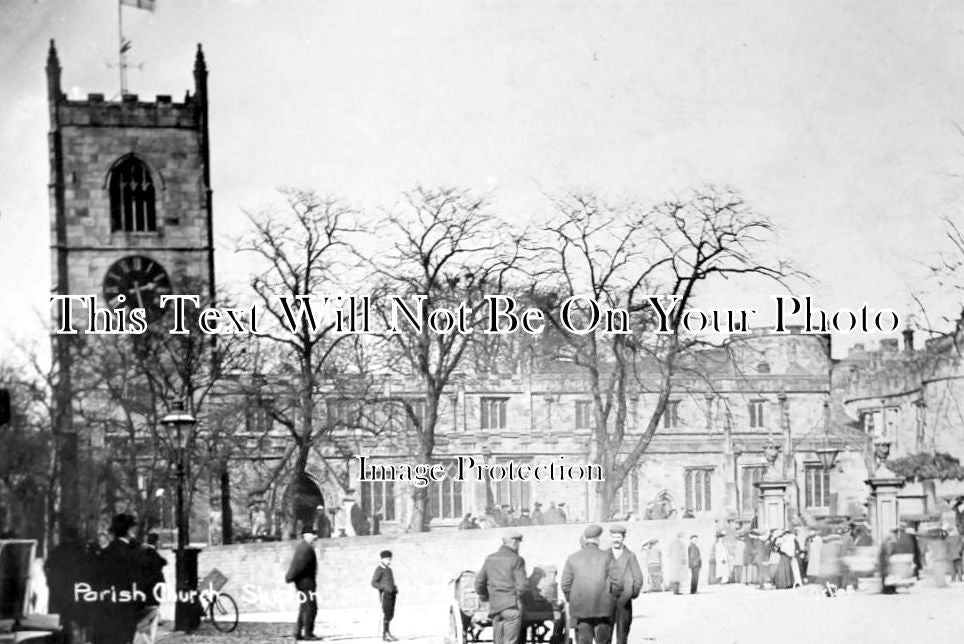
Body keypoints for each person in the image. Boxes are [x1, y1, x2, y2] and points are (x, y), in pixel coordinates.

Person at [561, 525, 622, 644]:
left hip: (581, 610)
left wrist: (573, 599)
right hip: (604, 610)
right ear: (598, 539)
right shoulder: (607, 557)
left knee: (584, 641)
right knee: (603, 641)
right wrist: (612, 600)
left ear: (585, 539)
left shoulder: (572, 558)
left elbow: (565, 585)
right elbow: (617, 583)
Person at [475, 532, 527, 644]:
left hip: (495, 609)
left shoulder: (490, 559)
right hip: (511, 607)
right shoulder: (517, 560)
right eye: (518, 543)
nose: (518, 546)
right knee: (510, 641)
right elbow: (522, 586)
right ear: (513, 543)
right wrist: (518, 598)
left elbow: (479, 583)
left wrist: (486, 597)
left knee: (498, 641)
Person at [608, 526, 643, 644]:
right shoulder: (604, 555)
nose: (616, 540)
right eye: (614, 537)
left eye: (619, 537)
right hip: (607, 600)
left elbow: (638, 577)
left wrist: (632, 593)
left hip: (624, 601)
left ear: (623, 538)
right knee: (605, 634)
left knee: (622, 634)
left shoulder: (630, 556)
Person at [285, 525, 320, 641]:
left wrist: (291, 577)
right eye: (313, 534)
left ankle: (298, 632)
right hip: (306, 583)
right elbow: (298, 566)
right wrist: (290, 577)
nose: (315, 537)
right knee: (311, 608)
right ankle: (308, 634)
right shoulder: (305, 549)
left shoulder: (304, 547)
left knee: (304, 607)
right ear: (306, 535)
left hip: (303, 583)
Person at [133, 533, 166, 644]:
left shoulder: (140, 553)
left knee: (144, 616)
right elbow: (163, 562)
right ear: (156, 542)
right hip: (154, 591)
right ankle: (149, 640)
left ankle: (145, 638)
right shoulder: (152, 553)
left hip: (142, 591)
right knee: (152, 616)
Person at [371, 550, 399, 641]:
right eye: (387, 559)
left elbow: (390, 581)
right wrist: (384, 587)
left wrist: (394, 587)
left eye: (390, 559)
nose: (389, 561)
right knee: (387, 614)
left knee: (391, 614)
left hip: (392, 594)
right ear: (382, 559)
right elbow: (373, 582)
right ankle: (385, 634)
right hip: (385, 595)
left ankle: (388, 632)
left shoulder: (389, 569)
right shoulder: (379, 569)